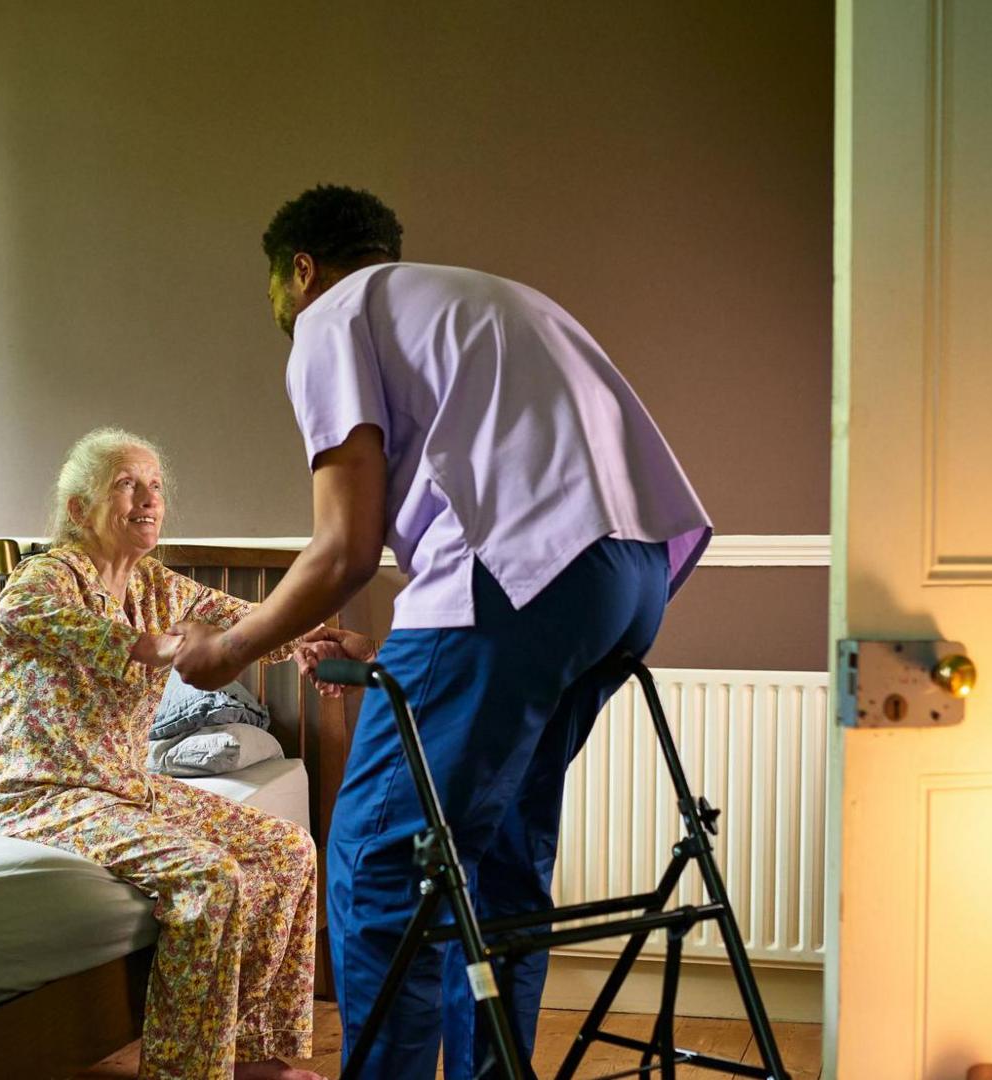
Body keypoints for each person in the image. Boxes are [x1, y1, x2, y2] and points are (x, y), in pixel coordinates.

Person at [172, 185, 712, 1079]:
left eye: (278, 291)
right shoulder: (488, 299)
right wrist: (395, 660)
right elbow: (536, 539)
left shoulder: (331, 314)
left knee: (380, 862)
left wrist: (223, 650)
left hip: (515, 581)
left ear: (300, 269)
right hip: (629, 578)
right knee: (496, 855)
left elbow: (345, 548)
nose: (280, 311)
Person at [0, 427, 324, 1080]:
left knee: (288, 850)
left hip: (126, 784)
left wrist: (320, 638)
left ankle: (244, 1054)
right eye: (126, 484)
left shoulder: (158, 584)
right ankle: (186, 1071)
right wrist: (173, 648)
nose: (148, 499)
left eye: (156, 485)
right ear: (78, 509)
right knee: (209, 877)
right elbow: (95, 635)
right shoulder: (37, 581)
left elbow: (252, 622)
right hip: (38, 793)